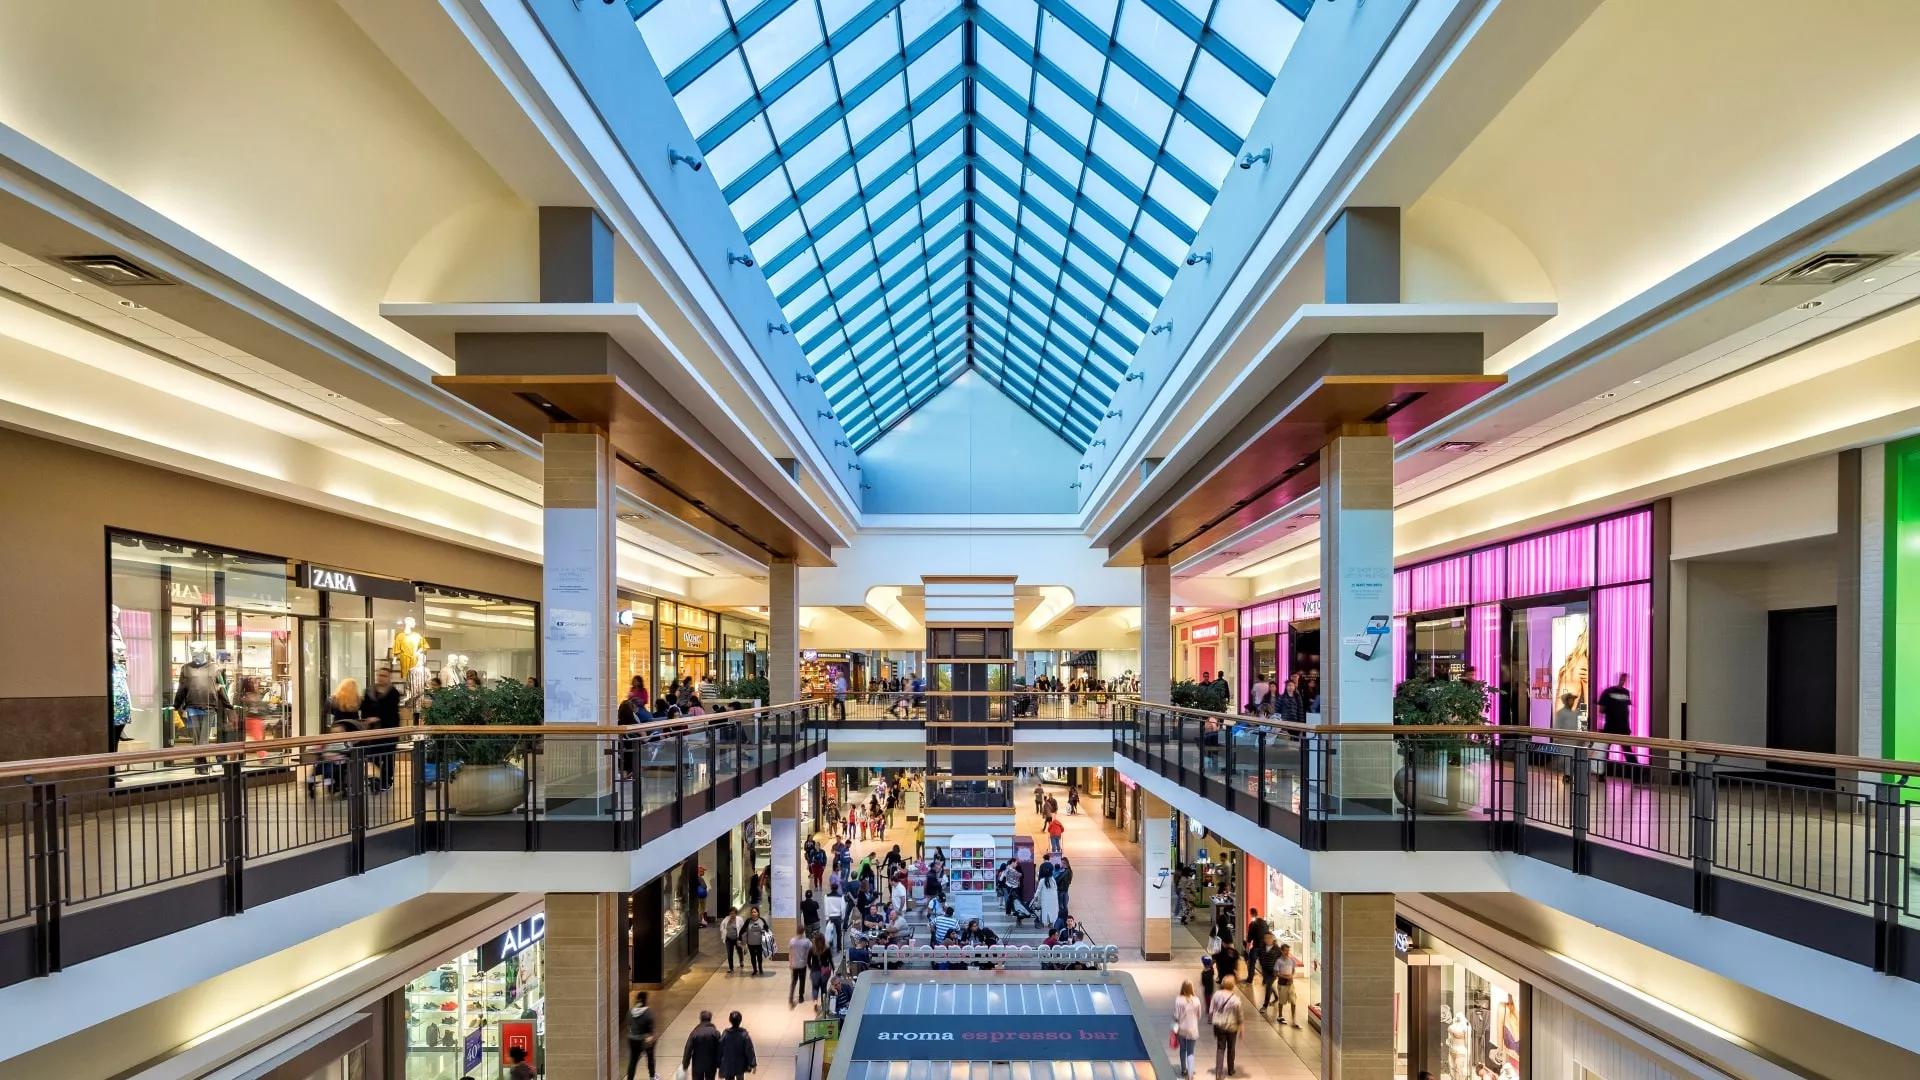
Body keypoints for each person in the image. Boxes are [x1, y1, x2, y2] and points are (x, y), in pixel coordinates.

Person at [361, 667, 402, 791]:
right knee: (372, 756)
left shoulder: (393, 693)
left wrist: (378, 718)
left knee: (388, 756)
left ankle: (386, 781)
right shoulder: (369, 691)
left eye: (384, 675)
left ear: (389, 677)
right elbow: (364, 708)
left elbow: (391, 711)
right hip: (373, 732)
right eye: (379, 675)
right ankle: (376, 777)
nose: (381, 678)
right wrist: (367, 719)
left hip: (389, 730)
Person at [1209, 974, 1244, 1077]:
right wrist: (1242, 1029)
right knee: (1231, 1048)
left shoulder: (1217, 995)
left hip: (1219, 1025)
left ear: (1223, 984)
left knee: (1220, 1048)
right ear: (1233, 985)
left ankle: (1218, 1073)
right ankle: (1231, 1069)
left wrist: (1211, 1020)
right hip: (1232, 1027)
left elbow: (1211, 1010)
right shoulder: (1236, 999)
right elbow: (1240, 1016)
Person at [1172, 980, 1204, 1079]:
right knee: (1190, 1052)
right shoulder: (1196, 1000)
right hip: (1193, 1029)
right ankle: (1190, 1074)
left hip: (1182, 1029)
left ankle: (1183, 1069)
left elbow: (1176, 1016)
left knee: (1183, 1049)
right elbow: (1199, 1016)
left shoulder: (1178, 999)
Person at [682, 1010, 722, 1080]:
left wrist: (685, 1063)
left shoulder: (695, 1033)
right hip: (711, 1064)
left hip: (697, 1065)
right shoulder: (715, 1033)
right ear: (710, 1019)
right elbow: (720, 1049)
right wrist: (720, 1063)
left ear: (700, 1019)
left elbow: (688, 1049)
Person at [626, 990, 656, 1080]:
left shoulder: (630, 1011)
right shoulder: (648, 1012)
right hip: (644, 1039)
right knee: (650, 1058)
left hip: (632, 1039)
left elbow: (629, 1023)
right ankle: (652, 1076)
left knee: (633, 1061)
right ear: (645, 1000)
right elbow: (650, 1028)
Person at [1274, 941, 1302, 1027]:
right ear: (1282, 951)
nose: (1287, 952)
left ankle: (1294, 1019)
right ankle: (1280, 1016)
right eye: (1285, 950)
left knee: (1293, 1002)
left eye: (1288, 950)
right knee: (1282, 1001)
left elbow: (1293, 971)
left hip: (1291, 985)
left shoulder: (1292, 961)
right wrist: (1285, 977)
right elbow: (1276, 973)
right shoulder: (1278, 961)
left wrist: (1292, 976)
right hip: (1282, 985)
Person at [787, 928, 812, 1005]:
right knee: (802, 981)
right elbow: (811, 949)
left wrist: (790, 963)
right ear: (803, 932)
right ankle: (801, 996)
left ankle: (791, 997)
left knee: (794, 981)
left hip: (794, 965)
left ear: (796, 931)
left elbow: (790, 953)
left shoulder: (792, 941)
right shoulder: (806, 941)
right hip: (802, 965)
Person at [742, 906, 770, 975]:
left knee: (759, 957)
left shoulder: (762, 920)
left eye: (755, 912)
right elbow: (742, 930)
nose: (753, 913)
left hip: (759, 943)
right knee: (753, 957)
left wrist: (764, 931)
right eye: (752, 912)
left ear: (758, 913)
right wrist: (742, 941)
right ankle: (755, 969)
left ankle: (760, 967)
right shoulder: (748, 921)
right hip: (750, 943)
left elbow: (767, 929)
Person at [720, 906, 744, 974]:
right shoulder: (726, 919)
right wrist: (724, 932)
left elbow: (742, 929)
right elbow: (721, 927)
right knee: (729, 954)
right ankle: (731, 968)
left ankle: (741, 961)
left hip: (737, 939)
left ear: (736, 913)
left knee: (739, 951)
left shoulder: (739, 919)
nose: (732, 915)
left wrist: (742, 939)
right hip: (728, 939)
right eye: (731, 913)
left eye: (733, 913)